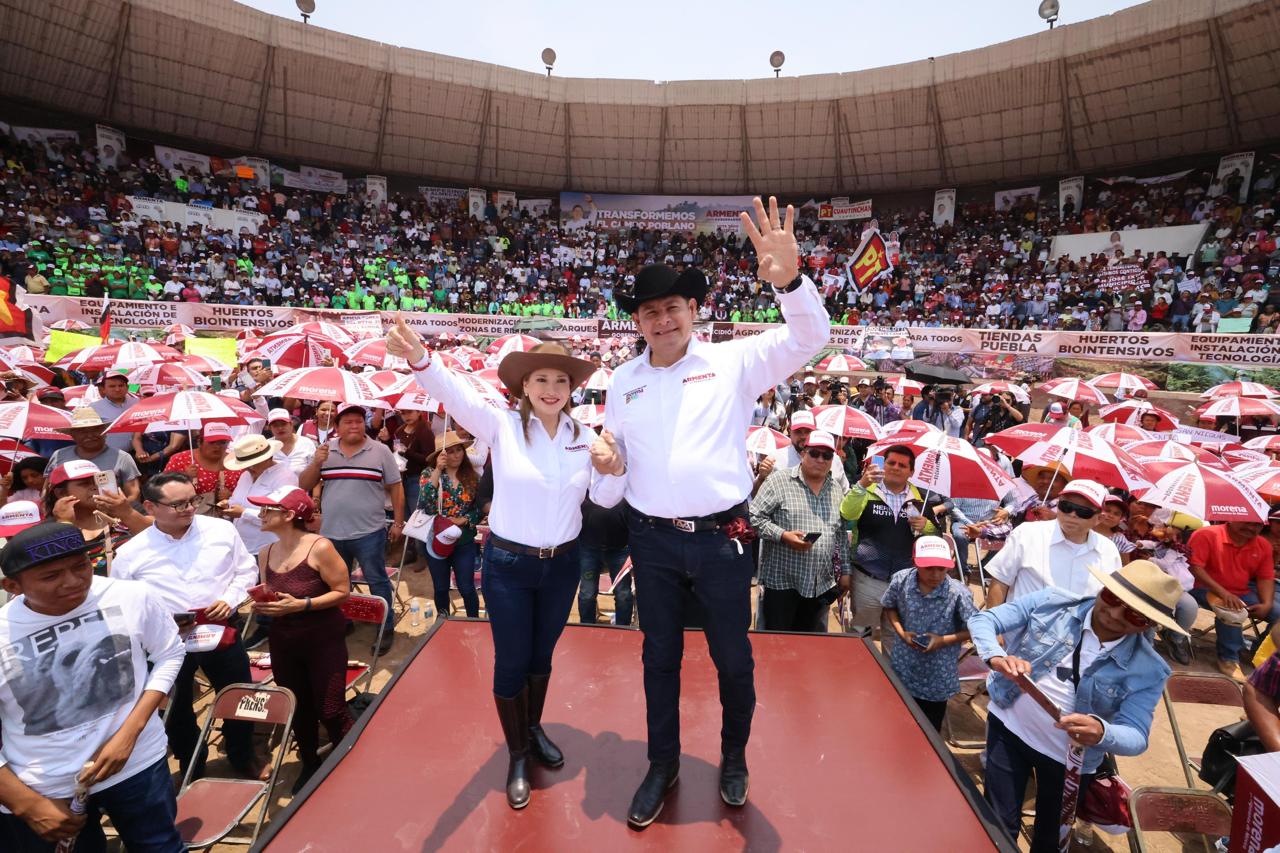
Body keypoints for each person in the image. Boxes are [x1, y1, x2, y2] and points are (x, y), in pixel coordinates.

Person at [589, 197, 830, 826]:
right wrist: (608, 473)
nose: (662, 319)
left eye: (673, 307)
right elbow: (613, 475)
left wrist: (791, 282)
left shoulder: (734, 360)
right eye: (649, 311)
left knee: (733, 656)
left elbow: (811, 336)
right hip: (651, 539)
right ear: (637, 321)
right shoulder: (622, 382)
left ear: (695, 311)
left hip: (725, 535)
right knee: (658, 656)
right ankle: (662, 763)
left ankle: (732, 756)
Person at [387, 321, 625, 811]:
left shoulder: (586, 438)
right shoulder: (503, 425)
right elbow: (453, 393)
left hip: (561, 565)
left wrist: (615, 469)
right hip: (509, 565)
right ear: (523, 385)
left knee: (542, 658)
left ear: (573, 387)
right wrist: (419, 357)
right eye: (541, 380)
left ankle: (533, 728)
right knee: (512, 661)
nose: (552, 390)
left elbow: (602, 498)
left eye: (561, 381)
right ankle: (517, 754)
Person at [0, 521, 186, 852]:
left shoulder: (131, 596)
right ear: (12, 584)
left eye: (80, 566)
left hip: (138, 768)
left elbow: (169, 652)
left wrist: (130, 733)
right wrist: (24, 803)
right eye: (51, 576)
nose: (73, 582)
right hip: (45, 790)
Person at [969, 560, 1179, 852]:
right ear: (1103, 588)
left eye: (1134, 615)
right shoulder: (1052, 602)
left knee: (1051, 842)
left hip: (1069, 762)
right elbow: (984, 620)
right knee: (997, 824)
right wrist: (996, 656)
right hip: (1008, 730)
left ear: (1150, 625)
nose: (1115, 614)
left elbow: (1137, 735)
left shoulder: (1150, 670)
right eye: (1112, 598)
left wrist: (1102, 732)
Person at [111, 473, 269, 781]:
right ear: (150, 506)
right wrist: (156, 622)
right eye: (178, 504)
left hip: (221, 629)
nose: (188, 508)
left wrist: (230, 598)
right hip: (167, 642)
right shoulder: (131, 552)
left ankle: (242, 754)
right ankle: (191, 761)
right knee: (177, 708)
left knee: (239, 695)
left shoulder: (221, 530)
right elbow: (123, 601)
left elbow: (246, 570)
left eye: (193, 500)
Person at [248, 486, 354, 794]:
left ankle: (351, 759)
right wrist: (265, 603)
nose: (261, 514)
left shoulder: (319, 547)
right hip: (284, 639)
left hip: (323, 639)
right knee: (298, 707)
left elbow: (343, 592)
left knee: (331, 709)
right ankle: (310, 763)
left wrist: (302, 604)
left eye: (268, 509)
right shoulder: (266, 551)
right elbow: (275, 593)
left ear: (290, 515)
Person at [298, 403, 403, 653]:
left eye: (358, 421)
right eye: (347, 422)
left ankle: (385, 626)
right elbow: (304, 484)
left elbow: (396, 487)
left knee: (377, 581)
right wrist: (316, 463)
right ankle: (343, 622)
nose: (354, 425)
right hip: (332, 533)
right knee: (336, 583)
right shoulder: (325, 451)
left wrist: (398, 522)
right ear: (336, 427)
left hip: (370, 532)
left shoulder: (380, 451)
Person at [749, 430, 850, 632]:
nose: (820, 459)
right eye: (815, 453)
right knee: (778, 642)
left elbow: (839, 534)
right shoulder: (779, 481)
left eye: (827, 455)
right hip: (782, 582)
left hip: (819, 583)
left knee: (810, 646)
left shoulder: (835, 489)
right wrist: (783, 535)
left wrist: (846, 571)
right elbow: (753, 517)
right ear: (803, 453)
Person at [840, 443, 942, 640]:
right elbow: (846, 512)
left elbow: (936, 539)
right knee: (861, 634)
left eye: (902, 465)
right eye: (891, 463)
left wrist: (926, 526)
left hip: (904, 582)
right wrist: (861, 485)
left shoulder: (920, 501)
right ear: (883, 465)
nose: (896, 467)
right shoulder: (867, 491)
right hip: (867, 578)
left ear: (911, 472)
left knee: (896, 637)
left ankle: (889, 672)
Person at [881, 536, 978, 731]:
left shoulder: (958, 593)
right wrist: (901, 633)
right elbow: (889, 607)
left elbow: (975, 629)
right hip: (903, 666)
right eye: (928, 568)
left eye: (941, 569)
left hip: (936, 675)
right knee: (898, 720)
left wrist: (942, 640)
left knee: (929, 728)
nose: (935, 575)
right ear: (915, 562)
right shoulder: (901, 580)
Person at [984, 479, 1122, 607]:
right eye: (1066, 506)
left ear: (1099, 518)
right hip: (1021, 631)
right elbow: (1000, 581)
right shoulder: (1027, 534)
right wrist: (995, 631)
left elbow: (1107, 601)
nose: (1072, 514)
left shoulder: (1108, 551)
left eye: (1083, 511)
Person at [1188, 519, 1277, 681]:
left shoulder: (1262, 545)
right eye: (1247, 522)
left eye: (1257, 525)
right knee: (1231, 609)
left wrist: (1267, 603)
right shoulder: (1207, 534)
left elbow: (1266, 577)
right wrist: (1224, 593)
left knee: (1277, 612)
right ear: (1231, 518)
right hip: (1201, 588)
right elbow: (1194, 568)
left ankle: (1260, 654)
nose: (1251, 528)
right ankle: (1228, 658)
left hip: (1241, 592)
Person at [45, 460, 150, 576]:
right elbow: (56, 565)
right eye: (85, 483)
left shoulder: (128, 508)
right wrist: (64, 524)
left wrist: (127, 513)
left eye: (98, 480)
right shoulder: (49, 528)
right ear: (61, 493)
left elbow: (159, 538)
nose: (94, 487)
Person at [418, 430, 482, 618]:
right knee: (440, 587)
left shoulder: (473, 477)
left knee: (467, 586)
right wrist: (438, 470)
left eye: (459, 450)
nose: (456, 455)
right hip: (436, 540)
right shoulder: (429, 474)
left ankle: (473, 621)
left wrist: (466, 518)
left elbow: (480, 508)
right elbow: (425, 503)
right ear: (440, 456)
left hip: (464, 540)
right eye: (450, 451)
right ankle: (443, 622)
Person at [43, 408, 141, 503]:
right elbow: (46, 490)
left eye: (96, 429)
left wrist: (122, 512)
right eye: (82, 431)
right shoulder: (59, 455)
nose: (90, 435)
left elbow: (133, 494)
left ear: (105, 432)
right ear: (72, 435)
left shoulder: (122, 457)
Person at [577, 492, 633, 626]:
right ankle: (586, 627)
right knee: (587, 594)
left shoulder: (625, 482)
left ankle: (623, 629)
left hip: (620, 550)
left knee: (623, 595)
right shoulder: (586, 481)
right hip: (589, 550)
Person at [163, 422, 242, 516]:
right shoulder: (181, 459)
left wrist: (232, 496)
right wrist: (185, 478)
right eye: (212, 442)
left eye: (223, 442)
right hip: (187, 516)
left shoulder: (235, 462)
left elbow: (247, 493)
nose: (217, 446)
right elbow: (163, 488)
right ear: (199, 442)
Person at [89, 370, 136, 453]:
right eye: (112, 386)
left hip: (140, 455)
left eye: (121, 385)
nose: (117, 389)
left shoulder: (137, 403)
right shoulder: (93, 408)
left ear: (127, 387)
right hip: (111, 456)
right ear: (103, 389)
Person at [266, 408, 316, 475]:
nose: (280, 428)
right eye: (275, 425)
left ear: (291, 424)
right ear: (270, 428)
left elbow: (314, 471)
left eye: (283, 424)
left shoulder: (306, 443)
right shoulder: (266, 446)